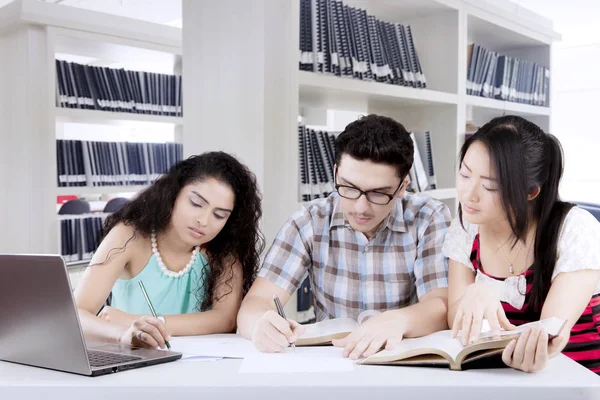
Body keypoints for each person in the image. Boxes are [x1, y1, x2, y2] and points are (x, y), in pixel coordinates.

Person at [237, 114, 451, 359]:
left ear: (402, 187)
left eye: (378, 194)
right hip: (332, 362)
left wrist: (399, 320)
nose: (360, 207)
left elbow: (441, 306)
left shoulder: (428, 218)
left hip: (400, 360)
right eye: (348, 188)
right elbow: (255, 303)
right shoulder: (309, 221)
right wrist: (260, 325)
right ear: (336, 172)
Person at [443, 115, 600, 374]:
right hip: (501, 373)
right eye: (464, 174)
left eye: (490, 186)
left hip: (580, 375)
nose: (469, 194)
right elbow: (457, 318)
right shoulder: (466, 226)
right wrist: (476, 293)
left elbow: (550, 333)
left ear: (531, 192)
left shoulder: (574, 229)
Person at [74, 151, 264, 349]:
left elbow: (225, 321)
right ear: (173, 193)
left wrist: (136, 320)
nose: (203, 221)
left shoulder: (224, 250)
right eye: (196, 204)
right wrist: (123, 334)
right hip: (134, 362)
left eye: (219, 215)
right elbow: (76, 314)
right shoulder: (128, 235)